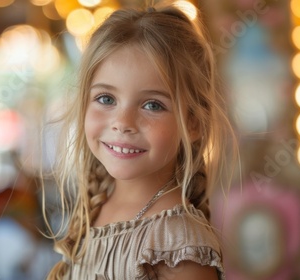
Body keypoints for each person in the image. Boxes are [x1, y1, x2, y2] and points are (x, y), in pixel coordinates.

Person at [44, 2, 236, 279]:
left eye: (152, 105)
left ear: (193, 123)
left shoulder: (179, 247)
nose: (122, 123)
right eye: (106, 99)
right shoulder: (98, 204)